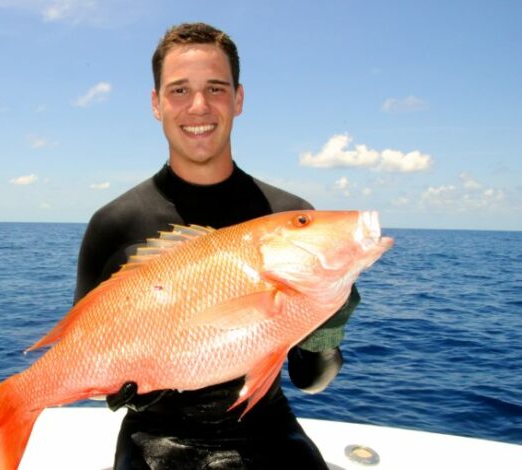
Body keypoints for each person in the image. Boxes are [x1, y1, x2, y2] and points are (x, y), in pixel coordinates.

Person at [74, 22, 360, 469]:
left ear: (239, 98)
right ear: (156, 103)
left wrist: (326, 333)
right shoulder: (112, 225)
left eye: (215, 88)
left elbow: (312, 382)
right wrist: (118, 388)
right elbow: (83, 354)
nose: (199, 106)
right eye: (179, 90)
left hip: (266, 427)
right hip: (153, 433)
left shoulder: (289, 218)